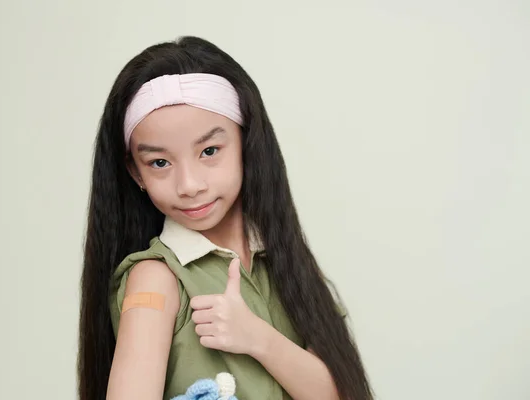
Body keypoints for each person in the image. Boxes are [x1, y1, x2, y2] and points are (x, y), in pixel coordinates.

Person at [79, 35, 373, 400]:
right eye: (159, 162)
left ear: (248, 143)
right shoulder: (154, 281)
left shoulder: (286, 266)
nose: (189, 185)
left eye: (209, 150)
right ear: (136, 173)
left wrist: (257, 338)